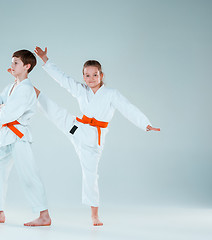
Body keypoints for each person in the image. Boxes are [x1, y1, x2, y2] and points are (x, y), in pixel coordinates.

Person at [34, 46, 160, 226]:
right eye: (87, 75)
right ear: (83, 76)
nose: (91, 79)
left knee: (90, 174)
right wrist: (46, 60)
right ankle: (29, 89)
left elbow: (127, 108)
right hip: (76, 127)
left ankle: (94, 215)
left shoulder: (111, 94)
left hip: (92, 140)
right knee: (54, 111)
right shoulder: (80, 90)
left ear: (101, 75)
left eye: (95, 75)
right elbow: (63, 79)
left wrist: (144, 123)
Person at [0, 49, 51, 226]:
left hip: (19, 136)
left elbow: (6, 115)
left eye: (16, 63)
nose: (11, 65)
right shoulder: (13, 86)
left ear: (27, 66)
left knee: (28, 174)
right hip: (5, 135)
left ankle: (44, 215)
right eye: (12, 62)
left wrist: (1, 108)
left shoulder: (26, 89)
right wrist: (2, 106)